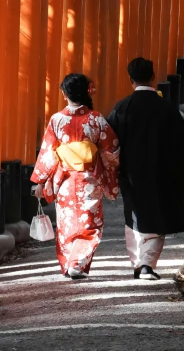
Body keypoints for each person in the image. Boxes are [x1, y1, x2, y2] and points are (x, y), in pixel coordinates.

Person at [107, 57, 184, 280]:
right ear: (153, 76)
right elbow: (183, 147)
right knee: (157, 216)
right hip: (163, 175)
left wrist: (111, 172)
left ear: (130, 79)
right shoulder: (166, 108)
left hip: (131, 175)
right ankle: (146, 264)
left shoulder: (122, 108)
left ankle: (139, 263)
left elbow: (109, 143)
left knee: (134, 217)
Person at [31, 73, 120, 279]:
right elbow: (111, 151)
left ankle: (70, 261)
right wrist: (109, 172)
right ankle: (77, 264)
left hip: (64, 181)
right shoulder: (96, 119)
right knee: (90, 224)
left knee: (67, 224)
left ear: (64, 94)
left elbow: (47, 153)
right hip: (89, 180)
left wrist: (40, 180)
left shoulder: (57, 120)